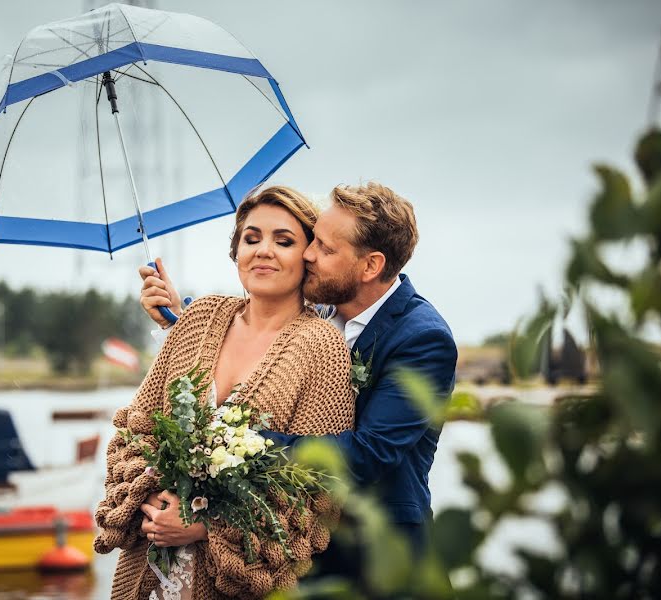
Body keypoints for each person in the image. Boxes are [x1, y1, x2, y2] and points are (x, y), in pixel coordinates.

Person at [140, 182, 457, 568]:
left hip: (377, 558)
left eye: (324, 248)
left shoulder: (422, 339)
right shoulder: (323, 307)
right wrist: (181, 320)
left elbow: (368, 454)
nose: (308, 254)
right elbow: (255, 333)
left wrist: (238, 442)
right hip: (296, 560)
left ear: (370, 266)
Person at [95, 185, 356, 600]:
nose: (263, 250)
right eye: (251, 239)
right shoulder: (199, 316)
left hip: (236, 582)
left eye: (283, 240)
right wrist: (152, 497)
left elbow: (315, 490)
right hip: (149, 569)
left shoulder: (321, 346)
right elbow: (135, 428)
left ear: (308, 256)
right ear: (236, 252)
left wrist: (204, 524)